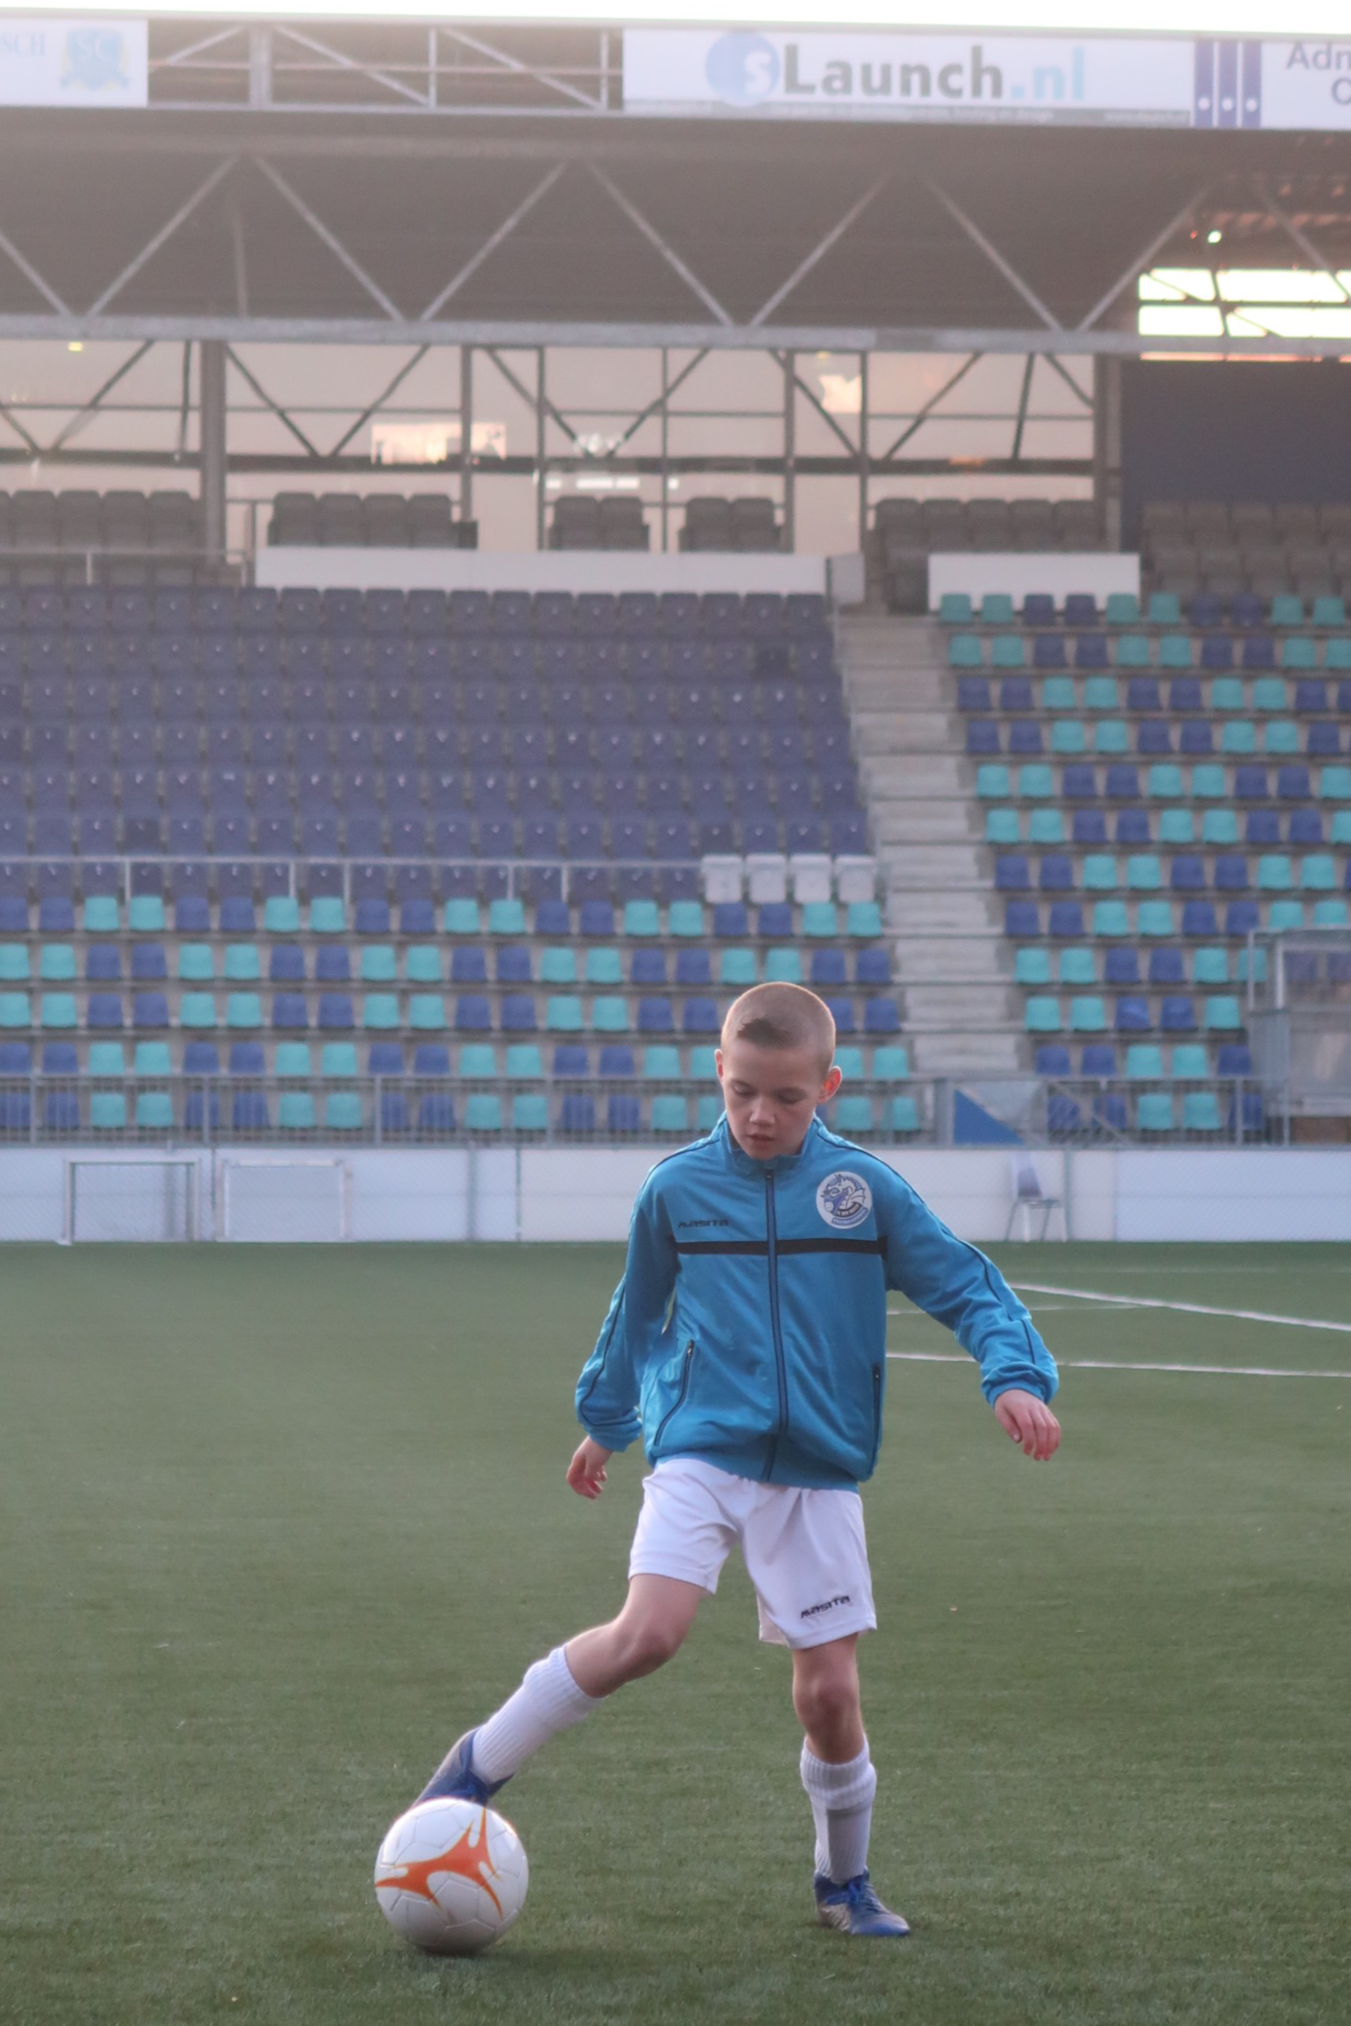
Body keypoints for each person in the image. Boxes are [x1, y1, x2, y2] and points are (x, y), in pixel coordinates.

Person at [415, 982, 1061, 1938]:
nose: (761, 1115)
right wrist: (606, 1422)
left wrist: (1012, 1377)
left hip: (817, 1464)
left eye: (786, 1097)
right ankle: (472, 1772)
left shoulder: (862, 1192)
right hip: (702, 1447)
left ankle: (842, 1883)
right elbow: (635, 1315)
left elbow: (967, 1285)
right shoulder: (676, 1189)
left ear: (827, 1087)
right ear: (718, 1072)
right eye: (742, 1091)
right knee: (647, 1634)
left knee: (830, 1693)